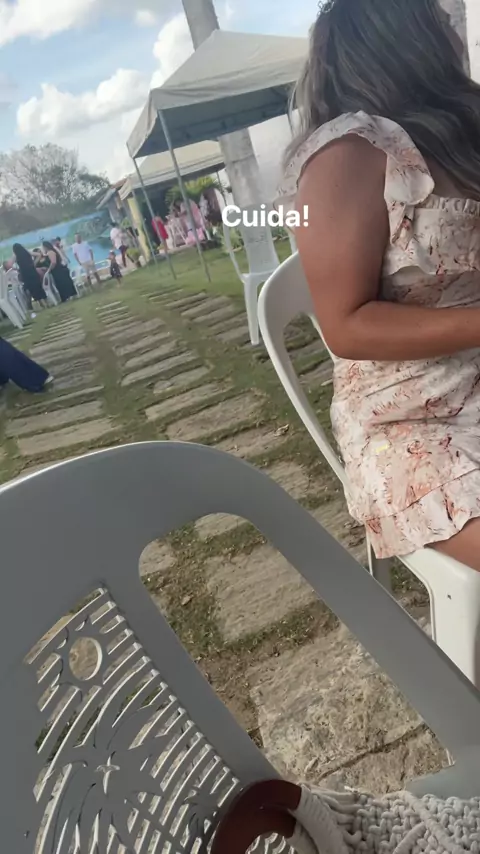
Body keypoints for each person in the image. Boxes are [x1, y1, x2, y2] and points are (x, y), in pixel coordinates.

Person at [281, 0, 480, 572]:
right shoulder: (349, 153)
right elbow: (346, 324)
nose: (452, 29)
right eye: (438, 20)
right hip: (411, 422)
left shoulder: (458, 132)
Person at [12, 243, 47, 308]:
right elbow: (39, 255)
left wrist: (17, 269)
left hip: (25, 273)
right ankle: (46, 302)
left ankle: (41, 303)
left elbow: (10, 264)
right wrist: (34, 263)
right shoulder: (26, 252)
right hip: (32, 270)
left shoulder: (16, 255)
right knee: (38, 286)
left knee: (32, 288)